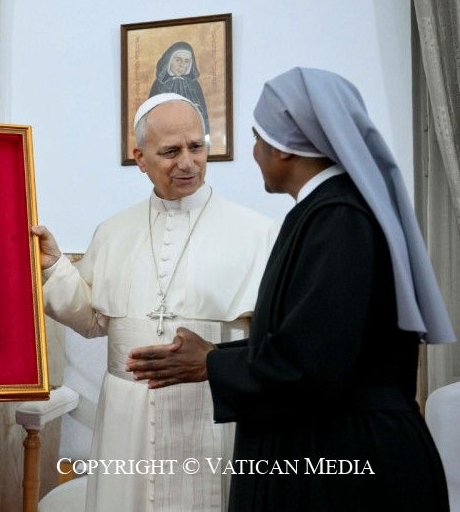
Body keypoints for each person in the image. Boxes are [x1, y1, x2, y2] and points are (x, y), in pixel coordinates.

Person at [127, 67, 455, 511]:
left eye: (258, 140)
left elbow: (312, 364)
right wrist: (217, 359)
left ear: (283, 149)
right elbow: (309, 343)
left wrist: (212, 363)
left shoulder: (339, 219)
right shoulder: (324, 212)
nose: (255, 152)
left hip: (346, 460)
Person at [32, 92, 279, 511]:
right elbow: (92, 319)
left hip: (211, 414)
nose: (187, 162)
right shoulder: (114, 231)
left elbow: (273, 343)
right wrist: (56, 268)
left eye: (196, 147)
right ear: (140, 156)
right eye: (170, 151)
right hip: (125, 421)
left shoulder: (258, 233)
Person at [149, 41, 209, 136]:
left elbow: (203, 114)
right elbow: (151, 116)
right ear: (169, 61)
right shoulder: (159, 84)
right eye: (178, 60)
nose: (182, 65)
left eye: (186, 61)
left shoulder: (194, 85)